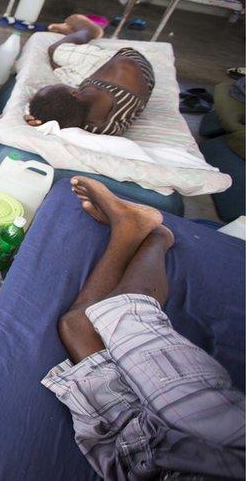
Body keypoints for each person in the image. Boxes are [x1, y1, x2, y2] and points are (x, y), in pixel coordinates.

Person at [43, 176, 245, 479]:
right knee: (126, 318)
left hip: (156, 465)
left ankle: (139, 229)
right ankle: (153, 235)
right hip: (222, 451)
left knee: (76, 326)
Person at [25, 14, 154, 136]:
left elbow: (53, 122)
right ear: (75, 93)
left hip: (112, 70)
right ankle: (86, 31)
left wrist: (41, 118)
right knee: (57, 56)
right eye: (54, 86)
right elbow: (124, 61)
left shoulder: (83, 122)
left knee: (57, 59)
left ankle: (82, 33)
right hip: (125, 68)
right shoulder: (124, 71)